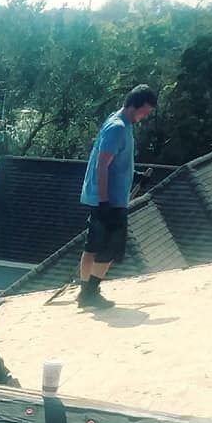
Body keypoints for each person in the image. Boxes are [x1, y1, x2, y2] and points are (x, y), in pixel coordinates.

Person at [77, 84, 159, 310]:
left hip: (104, 196)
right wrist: (104, 202)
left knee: (93, 245)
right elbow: (102, 167)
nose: (145, 116)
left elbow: (114, 163)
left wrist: (134, 176)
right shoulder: (117, 128)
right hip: (109, 199)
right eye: (145, 111)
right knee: (111, 246)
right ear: (134, 105)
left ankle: (85, 292)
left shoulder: (119, 122)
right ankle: (90, 292)